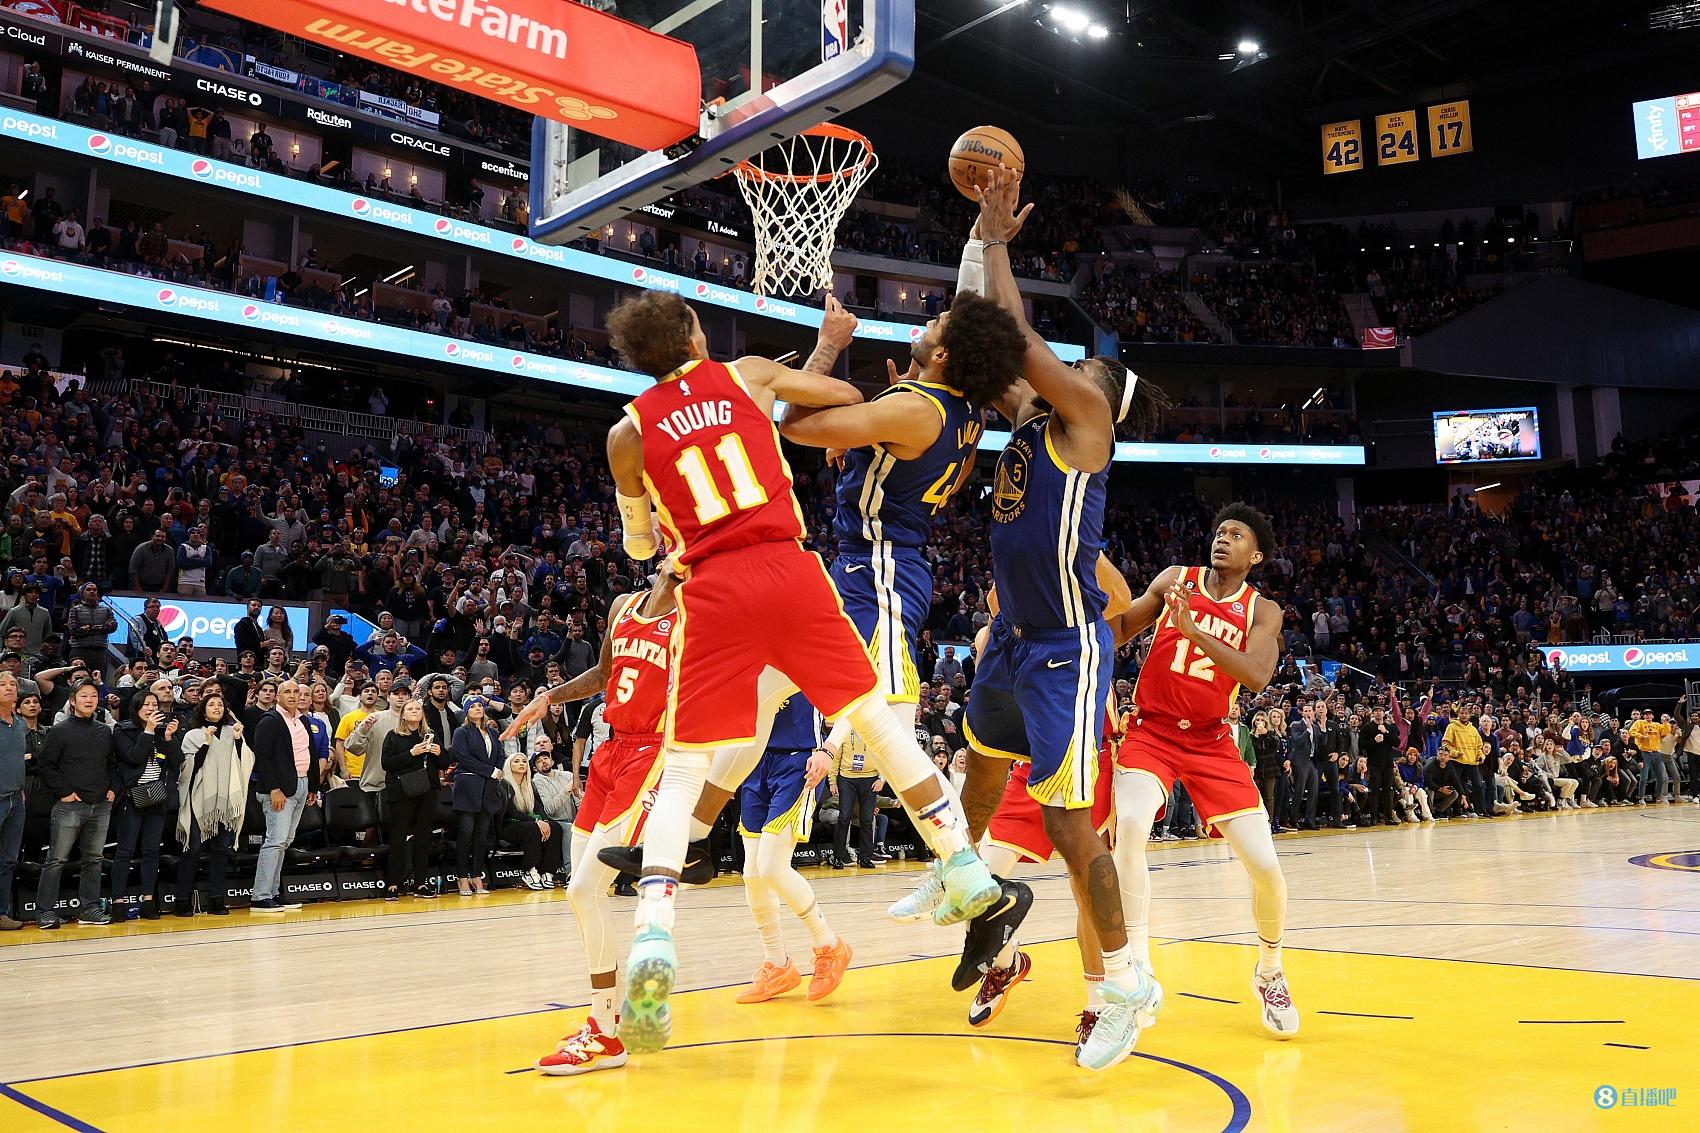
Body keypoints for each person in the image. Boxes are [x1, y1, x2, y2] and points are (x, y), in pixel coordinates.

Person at [600, 289, 1001, 1056]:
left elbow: (640, 547)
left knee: (683, 764)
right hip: (792, 568)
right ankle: (959, 857)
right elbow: (843, 398)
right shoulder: (747, 372)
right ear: (696, 336)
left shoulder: (628, 432)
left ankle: (653, 930)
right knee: (878, 722)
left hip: (714, 587)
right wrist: (832, 379)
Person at [951, 167, 1171, 1071]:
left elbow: (1019, 339)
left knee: (1074, 831)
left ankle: (1123, 984)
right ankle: (962, 879)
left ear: (1099, 391)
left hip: (1068, 647)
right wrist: (984, 243)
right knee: (977, 757)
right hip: (1016, 639)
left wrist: (997, 245)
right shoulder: (1033, 418)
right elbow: (998, 343)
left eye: (1082, 365)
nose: (1068, 368)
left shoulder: (1085, 417)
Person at [1112, 503, 1300, 1040]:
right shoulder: (1176, 579)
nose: (1223, 538)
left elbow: (1257, 675)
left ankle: (1270, 970)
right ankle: (1138, 964)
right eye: (1220, 531)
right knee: (1131, 826)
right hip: (1151, 731)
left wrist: (1193, 631)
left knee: (1266, 867)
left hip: (1212, 742)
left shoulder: (1263, 610)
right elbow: (1119, 630)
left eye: (1236, 535)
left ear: (1255, 556)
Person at [504, 568, 678, 1077]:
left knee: (586, 889)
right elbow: (604, 675)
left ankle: (604, 1030)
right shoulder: (624, 604)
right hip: (610, 751)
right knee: (580, 893)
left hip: (651, 754)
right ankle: (609, 1019)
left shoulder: (696, 614)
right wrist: (549, 697)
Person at [732, 693, 851, 1004]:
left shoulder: (812, 661)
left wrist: (829, 749)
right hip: (754, 760)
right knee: (752, 874)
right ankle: (777, 965)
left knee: (771, 866)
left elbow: (852, 702)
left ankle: (830, 945)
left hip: (800, 762)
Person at [33, 681, 118, 928]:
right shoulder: (59, 731)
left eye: (93, 696)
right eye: (83, 696)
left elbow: (112, 764)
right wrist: (65, 792)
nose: (89, 700)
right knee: (56, 859)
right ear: (72, 700)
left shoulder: (104, 731)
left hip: (100, 804)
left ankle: (89, 908)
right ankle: (45, 911)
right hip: (70, 805)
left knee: (94, 859)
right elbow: (45, 765)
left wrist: (113, 789)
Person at [173, 687, 251, 917]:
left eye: (220, 704)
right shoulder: (193, 735)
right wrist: (206, 744)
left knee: (221, 850)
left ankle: (217, 898)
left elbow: (245, 762)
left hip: (226, 801)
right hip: (200, 799)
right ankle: (181, 900)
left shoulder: (232, 731)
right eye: (211, 704)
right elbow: (187, 769)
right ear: (203, 710)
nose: (217, 707)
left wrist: (239, 741)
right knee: (193, 849)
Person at [249, 679, 320, 913]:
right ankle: (260, 896)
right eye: (287, 692)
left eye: (296, 692)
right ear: (277, 696)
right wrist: (273, 788)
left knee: (285, 842)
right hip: (279, 788)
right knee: (275, 841)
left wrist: (313, 786)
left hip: (302, 784)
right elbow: (261, 757)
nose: (292, 695)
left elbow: (311, 753)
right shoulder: (270, 720)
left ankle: (274, 893)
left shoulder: (304, 720)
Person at [109, 691, 181, 919]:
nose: (151, 708)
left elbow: (177, 761)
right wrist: (148, 731)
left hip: (156, 796)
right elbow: (134, 757)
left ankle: (148, 900)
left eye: (154, 704)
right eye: (146, 704)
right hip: (131, 797)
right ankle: (118, 902)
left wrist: (168, 737)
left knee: (152, 851)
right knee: (125, 850)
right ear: (136, 707)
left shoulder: (162, 730)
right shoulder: (123, 729)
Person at [380, 698, 442, 900]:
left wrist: (440, 753)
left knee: (423, 839)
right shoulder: (394, 736)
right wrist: (411, 753)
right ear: (403, 715)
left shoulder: (431, 735)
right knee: (398, 839)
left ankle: (420, 883)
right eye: (410, 709)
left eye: (418, 708)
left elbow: (445, 762)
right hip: (401, 793)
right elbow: (387, 763)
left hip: (427, 792)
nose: (415, 711)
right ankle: (392, 884)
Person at [449, 694, 505, 896]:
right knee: (466, 833)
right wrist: (490, 771)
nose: (477, 709)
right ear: (466, 711)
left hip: (488, 787)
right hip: (468, 787)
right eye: (472, 707)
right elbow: (463, 757)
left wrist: (497, 771)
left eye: (479, 705)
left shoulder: (492, 732)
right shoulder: (461, 732)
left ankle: (476, 874)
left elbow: (500, 755)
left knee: (481, 835)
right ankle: (462, 876)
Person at [496, 747, 566, 890]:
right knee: (532, 829)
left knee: (555, 827)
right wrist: (536, 821)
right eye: (516, 761)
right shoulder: (503, 784)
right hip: (507, 825)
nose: (521, 764)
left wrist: (545, 821)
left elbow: (539, 807)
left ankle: (547, 872)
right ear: (509, 766)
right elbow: (510, 812)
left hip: (528, 823)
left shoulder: (530, 784)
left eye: (524, 761)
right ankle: (529, 870)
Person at [0, 672, 27, 930]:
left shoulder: (20, 724)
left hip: (16, 800)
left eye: (12, 684)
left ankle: (1, 913)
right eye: (2, 684)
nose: (8, 688)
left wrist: (20, 787)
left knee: (8, 859)